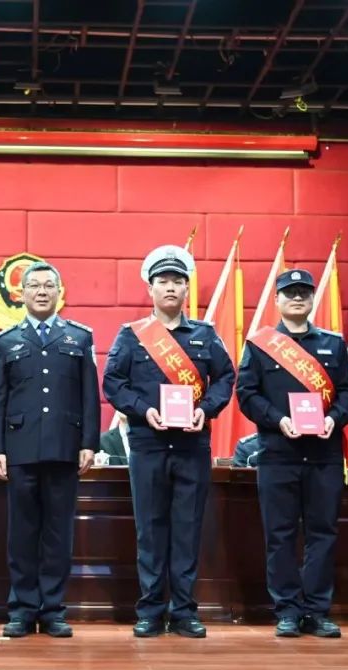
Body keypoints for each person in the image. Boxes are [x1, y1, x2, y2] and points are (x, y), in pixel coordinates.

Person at [102, 245, 236, 639]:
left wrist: (205, 409)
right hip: (148, 444)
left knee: (187, 529)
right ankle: (150, 611)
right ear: (151, 288)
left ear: (187, 288)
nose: (171, 287)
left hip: (192, 445)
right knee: (150, 529)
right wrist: (144, 410)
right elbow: (113, 383)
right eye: (163, 281)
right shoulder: (132, 336)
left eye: (178, 281)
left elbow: (226, 378)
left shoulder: (205, 335)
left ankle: (184, 611)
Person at [235, 269, 348, 639]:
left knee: (323, 533)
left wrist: (334, 419)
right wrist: (278, 420)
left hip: (323, 453)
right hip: (278, 452)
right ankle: (287, 610)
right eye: (290, 293)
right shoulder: (260, 344)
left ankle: (317, 611)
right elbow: (247, 394)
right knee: (280, 535)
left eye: (304, 292)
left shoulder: (333, 344)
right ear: (277, 300)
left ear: (313, 299)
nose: (298, 298)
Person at [0, 261, 99, 638]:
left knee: (57, 533)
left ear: (58, 292)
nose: (41, 291)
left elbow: (89, 395)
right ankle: (21, 610)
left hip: (65, 448)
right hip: (19, 449)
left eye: (48, 285)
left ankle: (52, 610)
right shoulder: (7, 341)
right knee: (21, 533)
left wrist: (89, 443)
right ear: (21, 294)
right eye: (33, 286)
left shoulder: (78, 338)